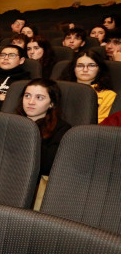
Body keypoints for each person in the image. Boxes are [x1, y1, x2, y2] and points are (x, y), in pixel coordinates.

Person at [16, 79, 71, 210]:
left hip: (33, 186)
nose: (30, 102)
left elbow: (47, 166)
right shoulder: (11, 121)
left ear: (51, 103)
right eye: (27, 96)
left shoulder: (62, 130)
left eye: (39, 97)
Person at [60, 49, 117, 123]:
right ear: (73, 68)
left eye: (91, 65)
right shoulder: (62, 89)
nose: (85, 69)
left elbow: (100, 123)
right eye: (80, 66)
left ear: (99, 69)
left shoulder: (108, 95)